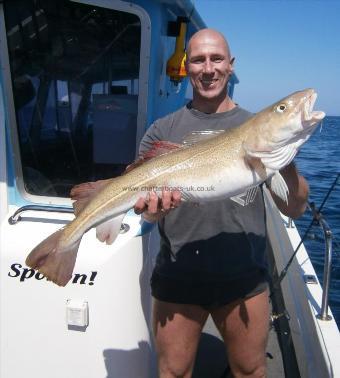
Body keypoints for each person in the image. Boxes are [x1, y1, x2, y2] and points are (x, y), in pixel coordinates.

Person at [134, 29, 309, 378]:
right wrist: (153, 210)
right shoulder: (161, 130)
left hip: (243, 276)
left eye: (216, 59)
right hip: (178, 273)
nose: (208, 68)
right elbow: (148, 215)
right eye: (198, 60)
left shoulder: (254, 128)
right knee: (173, 372)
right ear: (187, 68)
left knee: (249, 369)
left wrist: (283, 157)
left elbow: (294, 208)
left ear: (230, 66)